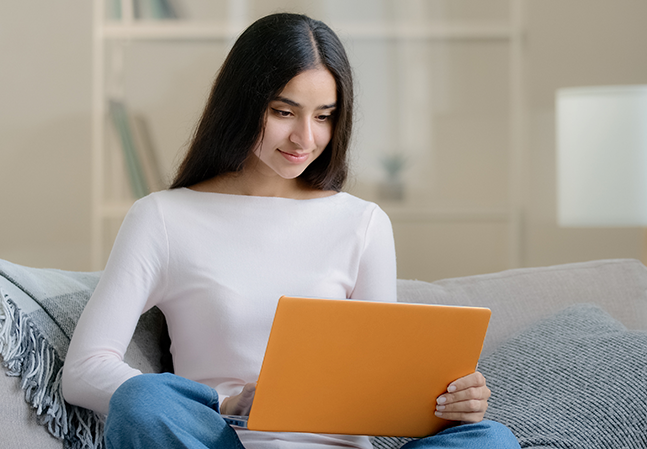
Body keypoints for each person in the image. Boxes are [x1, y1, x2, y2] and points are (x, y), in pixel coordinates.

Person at [62, 12, 520, 449]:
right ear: (242, 104)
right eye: (285, 112)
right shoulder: (162, 217)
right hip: (220, 441)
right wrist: (225, 404)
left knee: (491, 439)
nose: (306, 138)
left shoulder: (362, 222)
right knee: (144, 402)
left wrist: (450, 401)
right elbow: (84, 369)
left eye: (324, 116)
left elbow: (380, 383)